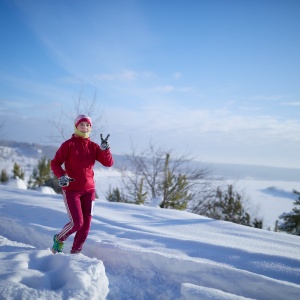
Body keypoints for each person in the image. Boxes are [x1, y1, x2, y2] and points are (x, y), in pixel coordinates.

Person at [50, 114, 114, 254]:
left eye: (88, 125)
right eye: (82, 124)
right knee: (77, 223)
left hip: (89, 191)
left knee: (86, 226)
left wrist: (105, 149)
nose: (85, 127)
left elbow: (108, 163)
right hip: (72, 190)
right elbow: (55, 163)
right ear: (76, 126)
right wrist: (61, 175)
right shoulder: (69, 145)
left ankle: (75, 252)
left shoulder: (94, 146)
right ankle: (59, 239)